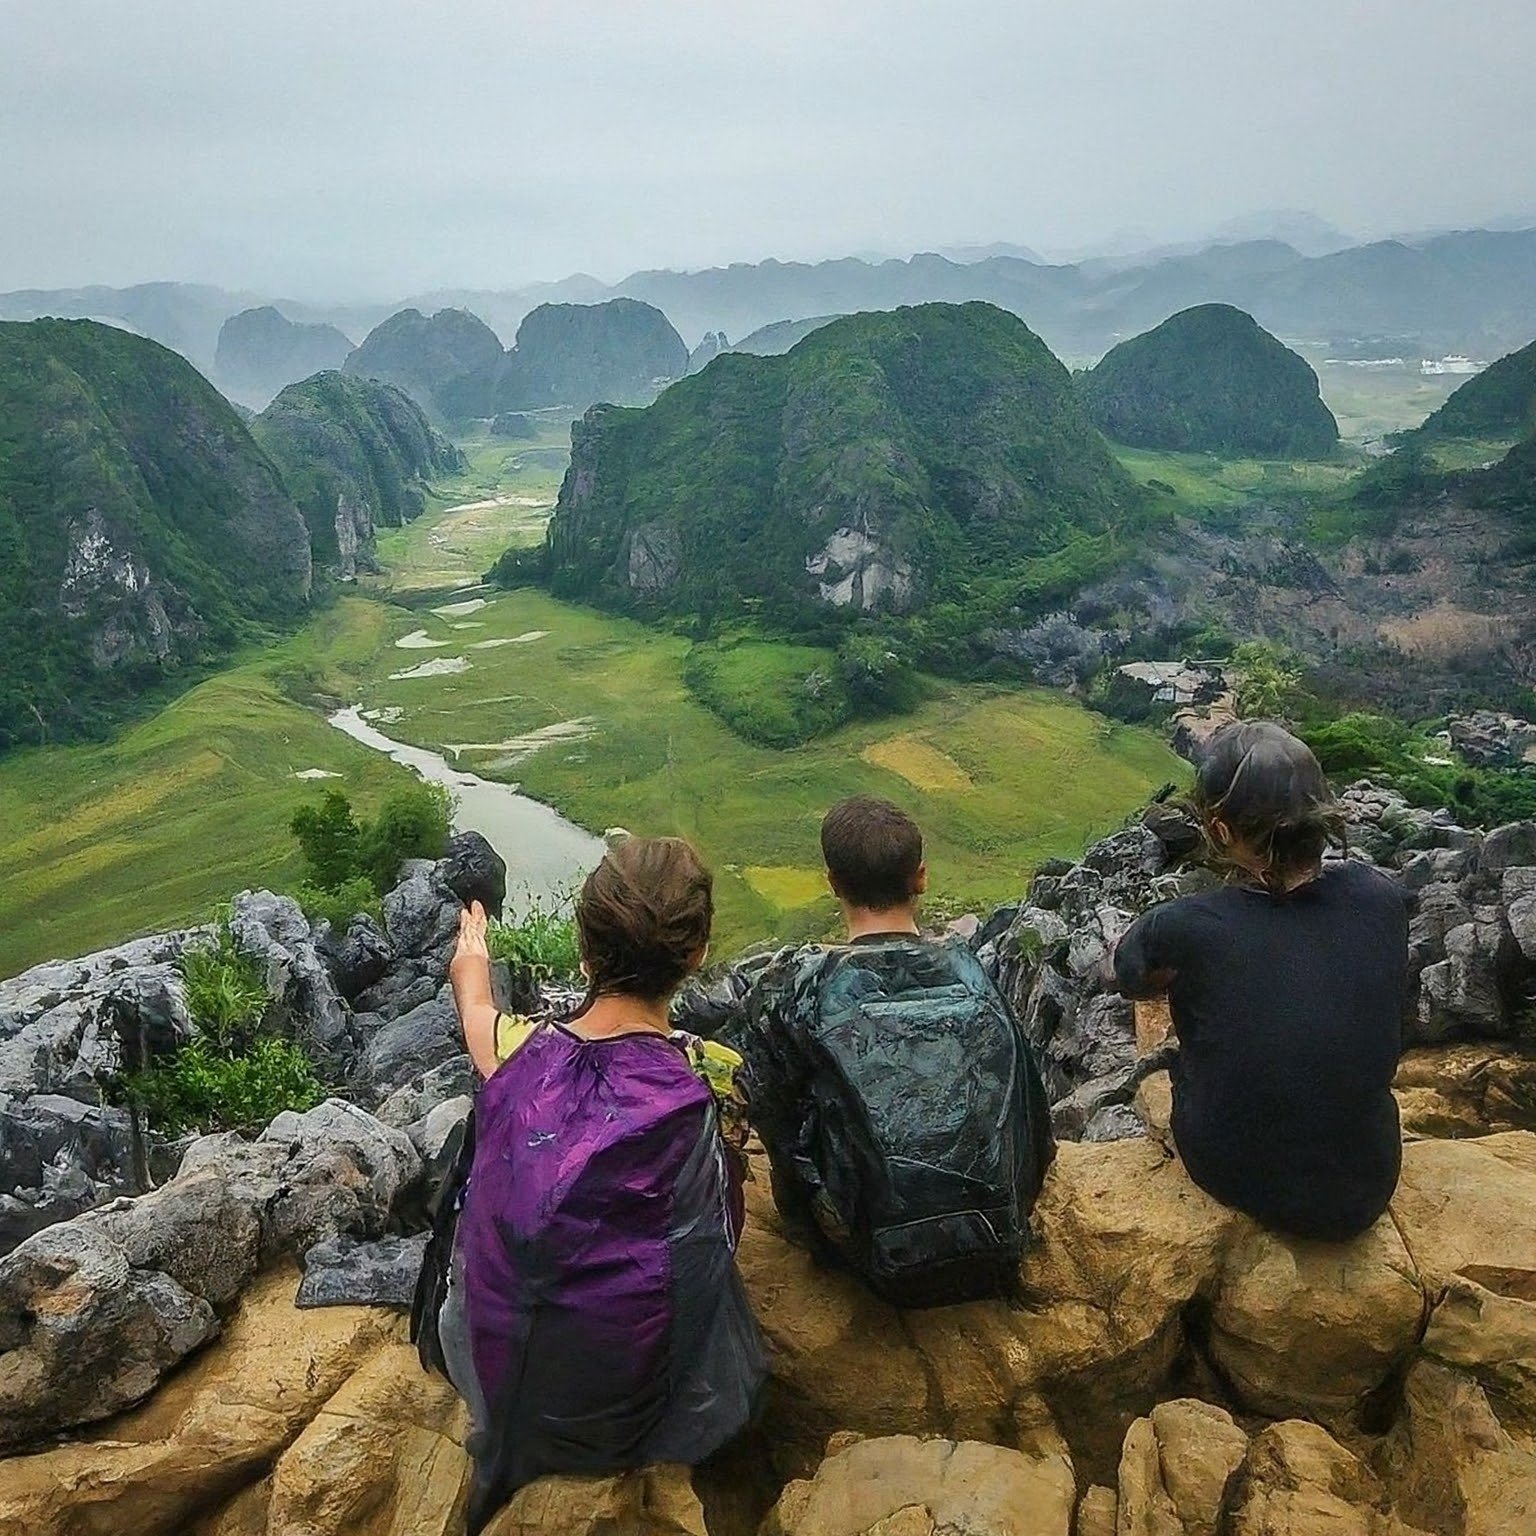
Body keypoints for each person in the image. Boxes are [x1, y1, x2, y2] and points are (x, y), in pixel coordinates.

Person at [433, 836, 765, 1535]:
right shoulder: (712, 1078)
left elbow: (476, 1020)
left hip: (498, 1372)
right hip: (632, 1402)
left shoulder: (520, 1050)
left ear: (584, 952)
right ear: (697, 954)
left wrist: (473, 963)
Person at [737, 795, 1054, 1308]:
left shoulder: (804, 985)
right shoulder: (973, 971)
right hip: (995, 1234)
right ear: (921, 878)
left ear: (833, 884)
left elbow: (771, 1113)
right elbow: (1031, 1110)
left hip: (866, 1256)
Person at [1111, 720, 1409, 1241]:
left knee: (1165, 997)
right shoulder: (1380, 897)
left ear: (1222, 830)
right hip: (1367, 1179)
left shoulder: (1188, 924)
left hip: (1243, 1175)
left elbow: (1130, 976)